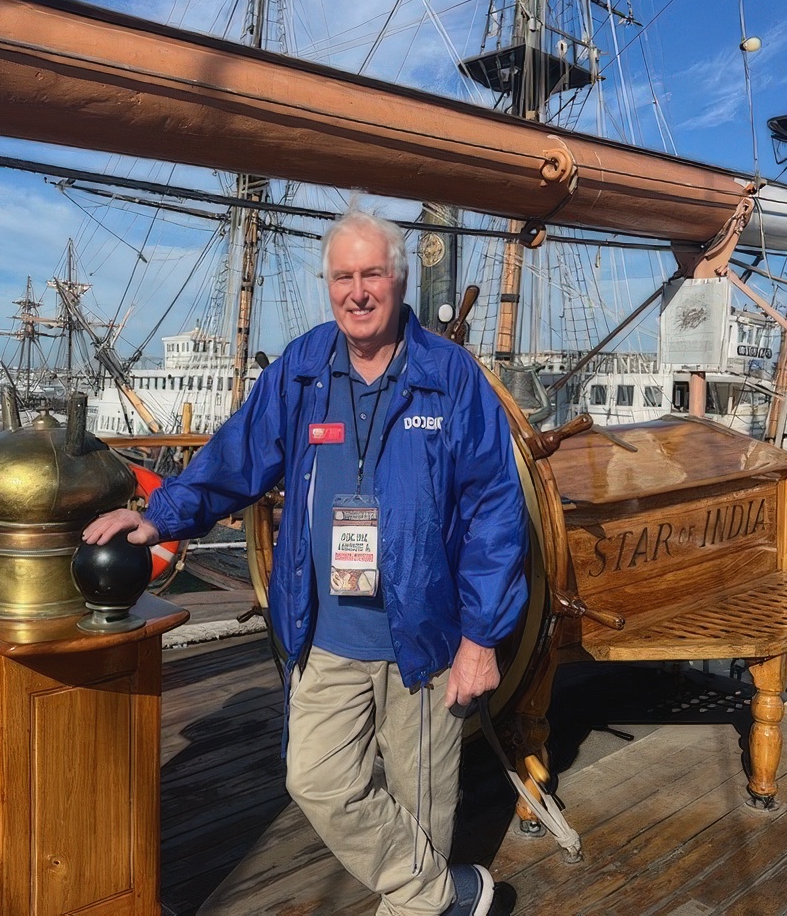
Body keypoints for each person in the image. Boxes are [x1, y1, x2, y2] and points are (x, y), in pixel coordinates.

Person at [83, 209, 527, 916]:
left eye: (371, 274)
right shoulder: (302, 368)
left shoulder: (451, 377)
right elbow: (237, 457)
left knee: (423, 809)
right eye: (343, 276)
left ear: (400, 279)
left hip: (426, 641)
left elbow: (496, 515)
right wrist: (160, 513)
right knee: (316, 779)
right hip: (326, 632)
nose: (357, 291)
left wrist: (482, 639)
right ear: (329, 284)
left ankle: (424, 895)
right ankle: (448, 894)